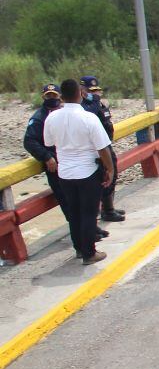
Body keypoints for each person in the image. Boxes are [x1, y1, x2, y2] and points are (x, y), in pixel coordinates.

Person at [43, 79, 114, 265]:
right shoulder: (89, 118)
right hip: (88, 171)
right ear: (80, 93)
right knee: (90, 213)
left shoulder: (51, 118)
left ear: (62, 96)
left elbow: (49, 143)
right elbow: (103, 148)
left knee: (74, 214)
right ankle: (90, 253)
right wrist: (110, 169)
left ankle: (79, 250)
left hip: (65, 173)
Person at [23, 84, 73, 231]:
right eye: (48, 95)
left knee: (82, 199)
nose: (51, 98)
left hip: (72, 162)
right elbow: (29, 141)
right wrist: (46, 157)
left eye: (54, 95)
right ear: (43, 97)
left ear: (60, 97)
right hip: (55, 166)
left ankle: (91, 229)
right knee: (67, 202)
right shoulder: (39, 118)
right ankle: (80, 239)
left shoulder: (66, 113)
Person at [79, 76, 126, 222]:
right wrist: (94, 101)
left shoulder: (98, 103)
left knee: (113, 174)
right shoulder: (84, 107)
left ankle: (108, 207)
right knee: (104, 178)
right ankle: (107, 211)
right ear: (82, 90)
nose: (95, 93)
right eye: (90, 90)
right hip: (95, 148)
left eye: (96, 90)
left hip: (105, 144)